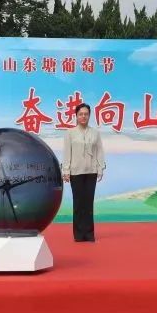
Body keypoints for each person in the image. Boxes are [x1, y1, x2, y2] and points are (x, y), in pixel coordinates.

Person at [61, 103, 105, 242]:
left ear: (89, 115)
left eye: (86, 114)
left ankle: (89, 234)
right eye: (81, 114)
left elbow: (99, 151)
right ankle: (79, 234)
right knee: (78, 203)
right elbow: (67, 153)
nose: (83, 116)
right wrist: (66, 170)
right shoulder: (70, 133)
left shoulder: (95, 133)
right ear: (76, 116)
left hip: (91, 171)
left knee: (88, 203)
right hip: (76, 172)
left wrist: (100, 168)